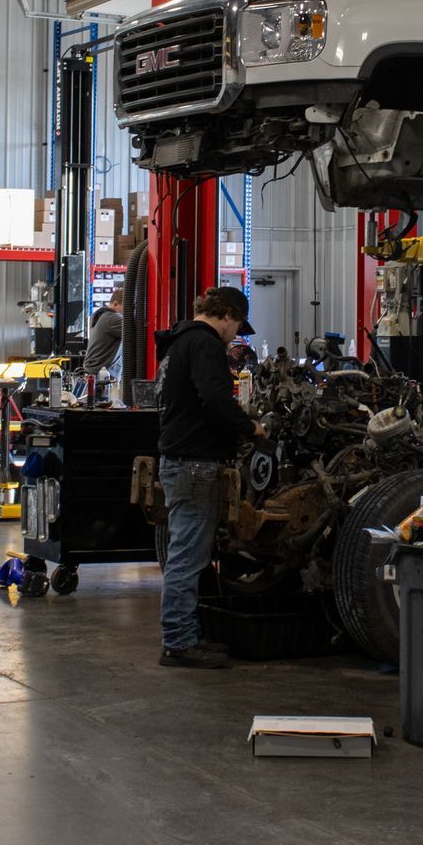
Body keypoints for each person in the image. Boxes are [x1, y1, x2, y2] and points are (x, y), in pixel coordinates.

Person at [153, 285, 260, 669]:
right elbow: (216, 400)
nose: (236, 335)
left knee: (188, 553)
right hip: (195, 462)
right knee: (187, 557)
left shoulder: (178, 341)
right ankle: (178, 642)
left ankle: (186, 635)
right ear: (228, 314)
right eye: (237, 326)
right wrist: (251, 429)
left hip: (182, 458)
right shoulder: (205, 344)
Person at [82, 286, 124, 377]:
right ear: (115, 304)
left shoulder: (103, 315)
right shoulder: (113, 318)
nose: (130, 312)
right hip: (101, 375)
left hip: (96, 372)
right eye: (127, 308)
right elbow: (137, 333)